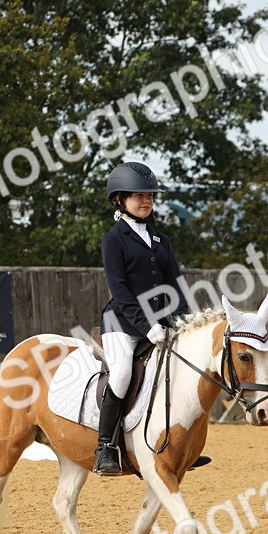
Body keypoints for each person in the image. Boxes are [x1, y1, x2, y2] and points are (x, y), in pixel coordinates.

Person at [94, 161, 189, 476]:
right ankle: (105, 447)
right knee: (121, 374)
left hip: (160, 324)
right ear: (120, 199)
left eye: (149, 195)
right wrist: (147, 327)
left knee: (180, 371)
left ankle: (179, 444)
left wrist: (187, 323)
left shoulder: (161, 240)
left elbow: (176, 286)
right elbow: (120, 291)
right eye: (138, 196)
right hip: (122, 323)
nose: (146, 201)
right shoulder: (114, 239)